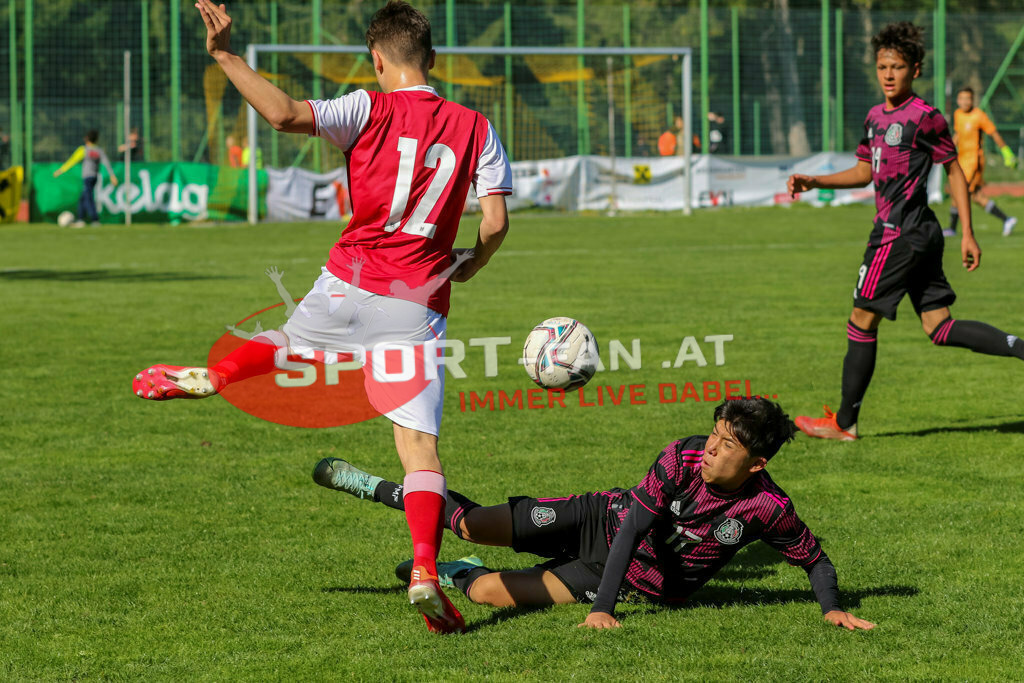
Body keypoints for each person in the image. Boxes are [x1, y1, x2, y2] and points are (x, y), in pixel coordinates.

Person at [132, 0, 511, 634]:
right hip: (415, 303)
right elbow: (495, 221)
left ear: (377, 58)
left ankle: (218, 375)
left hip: (349, 281)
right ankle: (424, 569)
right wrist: (472, 261)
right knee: (420, 451)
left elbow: (282, 115)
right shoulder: (476, 125)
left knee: (285, 344)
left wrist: (225, 53)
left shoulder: (367, 106)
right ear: (434, 60)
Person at [314, 398, 875, 632]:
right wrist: (602, 610)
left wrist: (831, 609)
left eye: (727, 445)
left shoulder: (768, 507)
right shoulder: (680, 455)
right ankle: (387, 489)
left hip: (629, 581)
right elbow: (632, 527)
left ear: (755, 464)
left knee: (486, 593)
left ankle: (455, 567)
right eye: (715, 433)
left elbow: (815, 559)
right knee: (473, 521)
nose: (710, 446)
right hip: (596, 521)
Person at [786, 22, 1024, 442]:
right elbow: (864, 172)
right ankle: (1020, 346)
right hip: (921, 234)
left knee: (861, 320)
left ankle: (844, 423)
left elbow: (954, 170)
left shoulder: (925, 117)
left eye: (897, 66)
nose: (888, 74)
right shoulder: (875, 117)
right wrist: (816, 182)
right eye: (882, 66)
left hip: (899, 233)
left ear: (915, 69)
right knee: (938, 326)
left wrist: (968, 232)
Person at [946, 86, 1017, 237]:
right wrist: (949, 149)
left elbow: (994, 133)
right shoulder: (958, 114)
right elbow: (958, 134)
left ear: (972, 100)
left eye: (968, 98)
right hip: (961, 160)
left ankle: (955, 228)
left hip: (973, 162)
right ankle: (1007, 219)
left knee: (960, 191)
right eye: (962, 98)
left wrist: (1006, 152)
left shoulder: (979, 116)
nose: (965, 102)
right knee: (974, 196)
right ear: (958, 100)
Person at [52, 129, 119, 227]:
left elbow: (72, 161)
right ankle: (80, 219)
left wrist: (60, 170)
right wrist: (112, 176)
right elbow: (106, 163)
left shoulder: (84, 150)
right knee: (83, 198)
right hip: (95, 177)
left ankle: (95, 220)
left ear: (86, 139)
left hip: (87, 177)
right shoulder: (99, 150)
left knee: (88, 198)